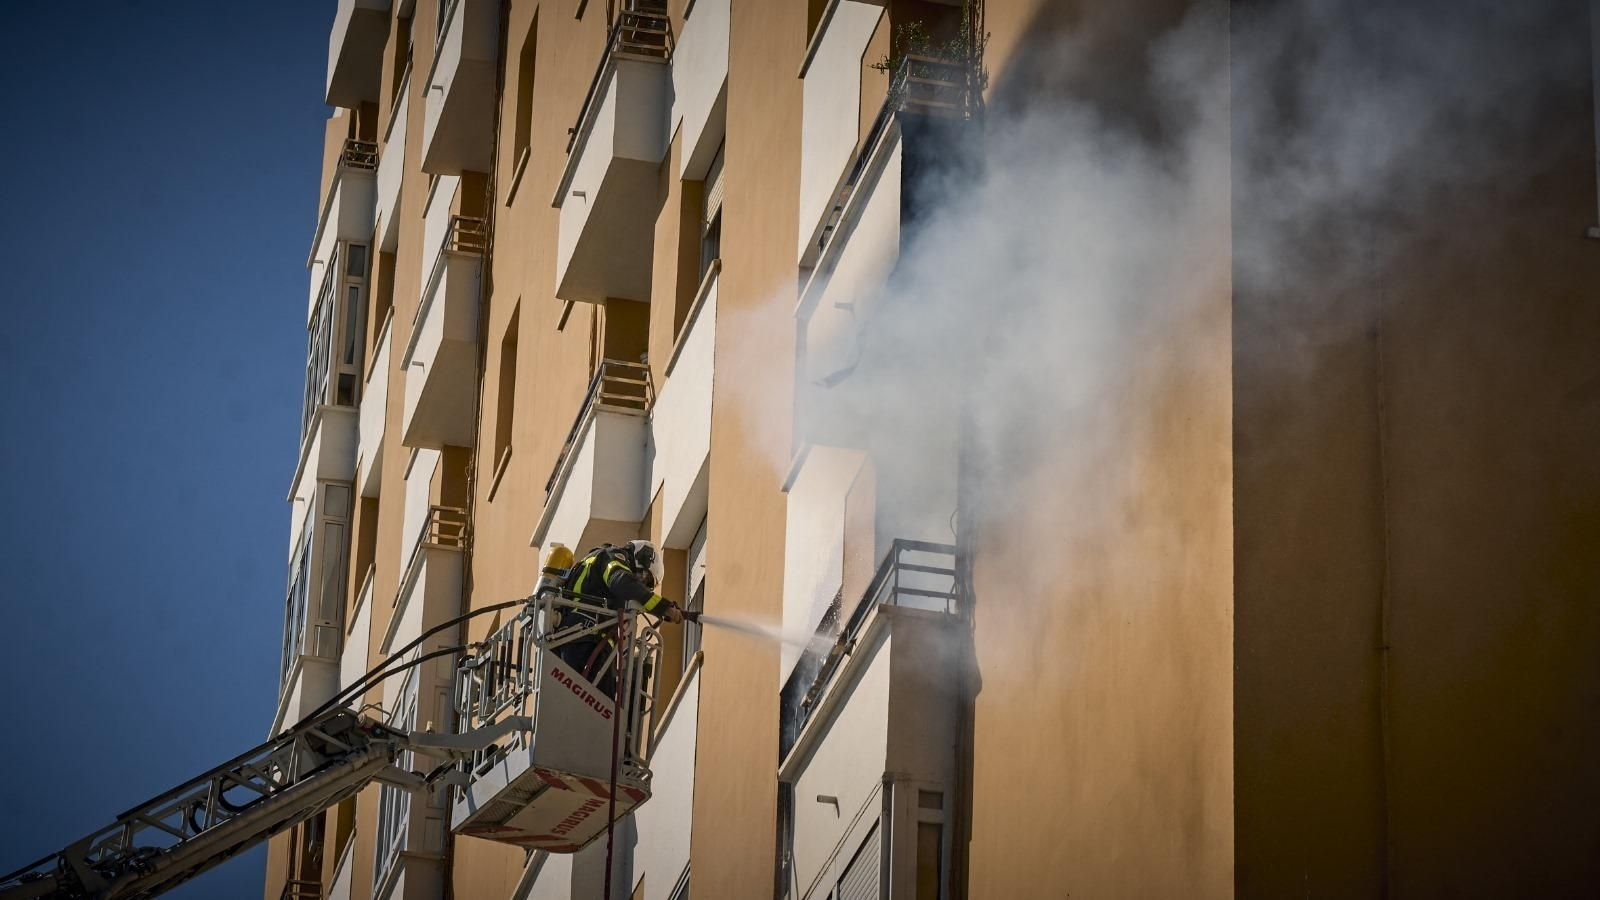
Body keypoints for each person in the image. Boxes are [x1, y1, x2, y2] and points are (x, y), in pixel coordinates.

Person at [554, 541, 685, 692]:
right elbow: (621, 581)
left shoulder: (591, 561)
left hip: (573, 636)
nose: (641, 582)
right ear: (639, 557)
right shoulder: (613, 555)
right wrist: (664, 607)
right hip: (589, 638)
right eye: (643, 576)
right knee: (601, 705)